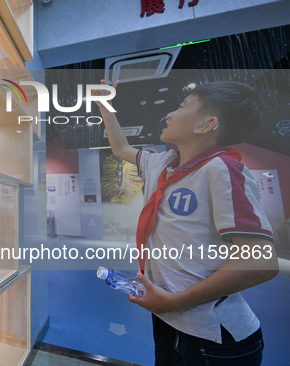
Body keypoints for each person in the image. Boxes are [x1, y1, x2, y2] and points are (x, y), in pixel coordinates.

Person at [95, 80, 279, 365]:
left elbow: (262, 262)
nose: (169, 114)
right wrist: (104, 105)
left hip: (214, 335)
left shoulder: (222, 170)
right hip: (169, 319)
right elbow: (121, 148)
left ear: (206, 125)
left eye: (181, 108)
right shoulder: (163, 162)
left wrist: (174, 302)